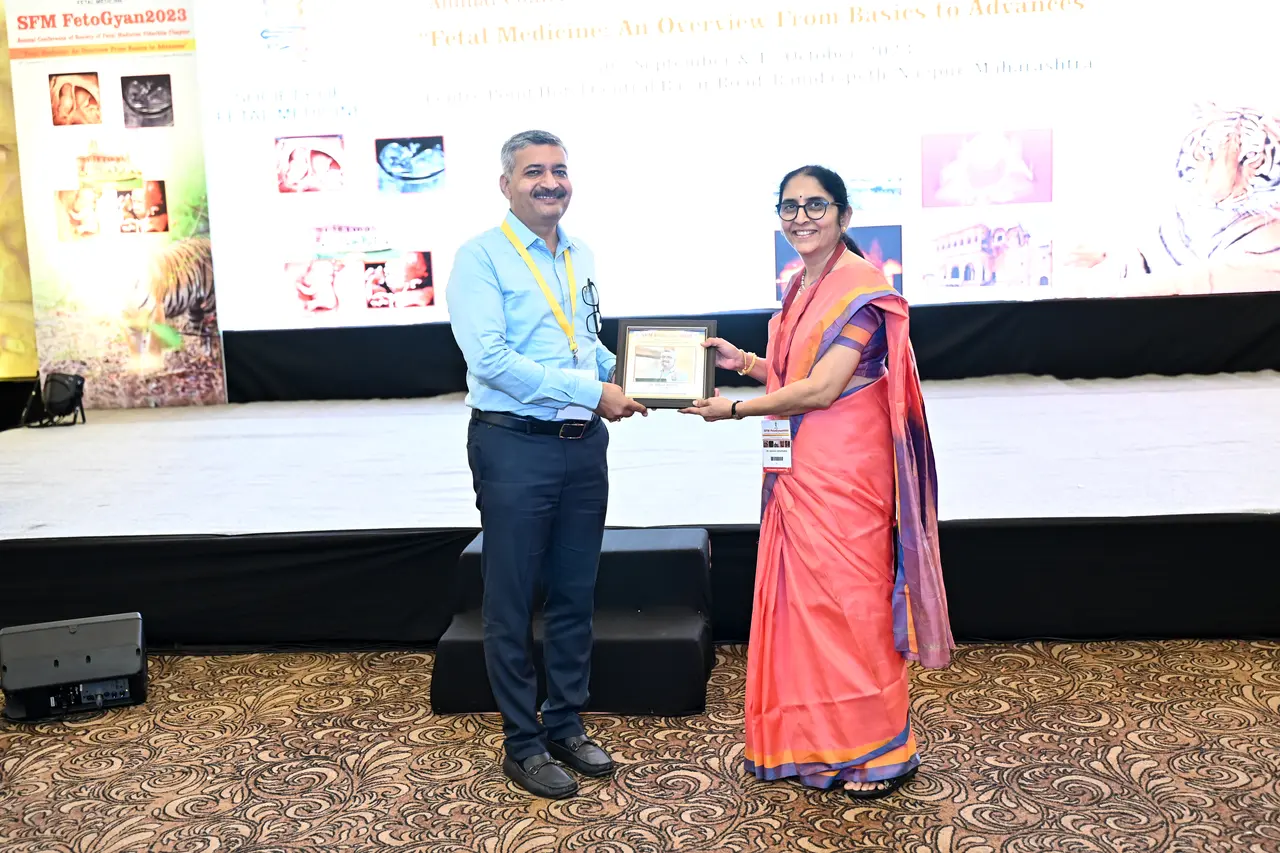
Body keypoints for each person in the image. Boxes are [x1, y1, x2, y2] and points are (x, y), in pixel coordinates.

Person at [681, 165, 954, 799]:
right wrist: (747, 363)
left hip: (845, 472)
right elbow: (794, 372)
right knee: (805, 611)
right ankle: (810, 744)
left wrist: (736, 409)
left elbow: (827, 387)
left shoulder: (859, 288)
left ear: (844, 214)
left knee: (848, 607)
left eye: (816, 205)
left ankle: (872, 749)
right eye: (790, 206)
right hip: (799, 467)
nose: (801, 217)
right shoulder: (802, 284)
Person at [446, 130, 647, 799]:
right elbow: (491, 361)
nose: (550, 182)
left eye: (559, 169)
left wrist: (644, 373)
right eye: (534, 171)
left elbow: (584, 343)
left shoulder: (579, 252)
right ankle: (522, 742)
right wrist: (593, 391)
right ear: (506, 184)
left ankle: (564, 722)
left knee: (574, 592)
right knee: (509, 600)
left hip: (583, 444)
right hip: (514, 445)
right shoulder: (479, 258)